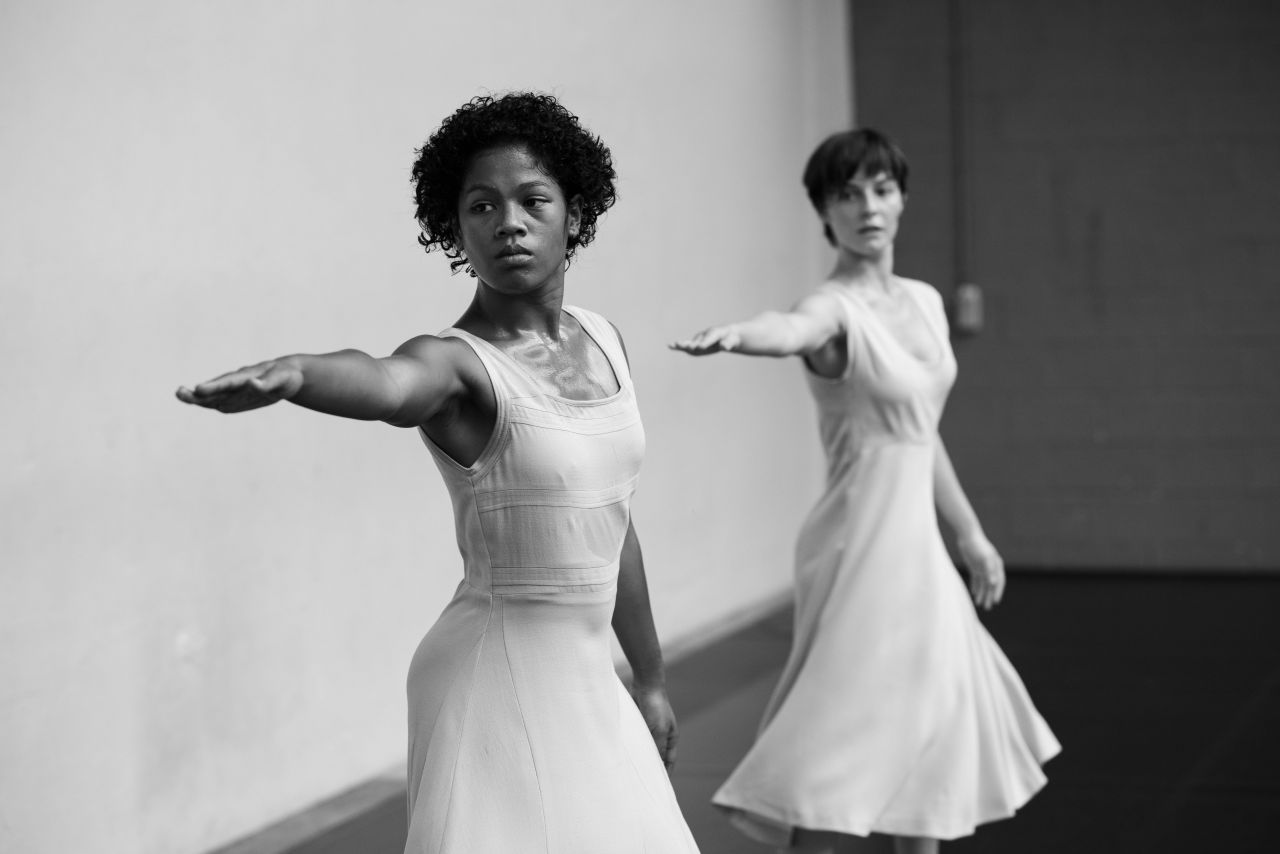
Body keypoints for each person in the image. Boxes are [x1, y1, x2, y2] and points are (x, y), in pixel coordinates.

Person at [178, 92, 699, 854]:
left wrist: (649, 678)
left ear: (574, 214)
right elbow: (386, 381)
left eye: (532, 200)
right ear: (455, 229)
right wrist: (298, 374)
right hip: (496, 673)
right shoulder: (456, 365)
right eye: (481, 206)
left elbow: (614, 524)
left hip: (589, 679)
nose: (507, 222)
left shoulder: (605, 339)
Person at [671, 128, 1060, 854]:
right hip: (860, 549)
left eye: (880, 189)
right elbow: (790, 328)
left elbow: (919, 431)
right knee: (836, 739)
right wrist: (739, 334)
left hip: (921, 554)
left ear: (903, 199)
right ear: (824, 212)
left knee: (931, 738)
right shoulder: (831, 308)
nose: (867, 206)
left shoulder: (924, 302)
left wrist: (969, 535)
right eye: (846, 194)